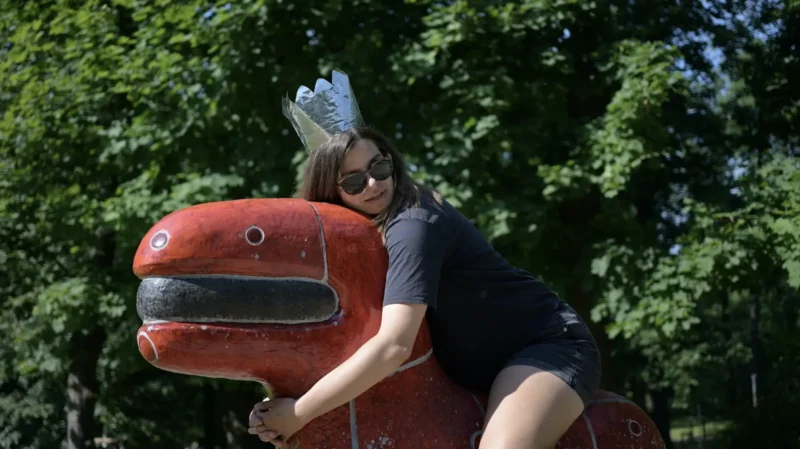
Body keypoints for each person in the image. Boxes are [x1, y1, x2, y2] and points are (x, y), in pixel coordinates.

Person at [248, 72, 601, 449]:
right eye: (353, 182)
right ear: (331, 193)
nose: (373, 184)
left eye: (379, 167)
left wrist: (300, 412)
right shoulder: (362, 240)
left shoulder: (413, 223)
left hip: (547, 346)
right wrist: (279, 407)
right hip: (467, 370)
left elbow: (393, 346)